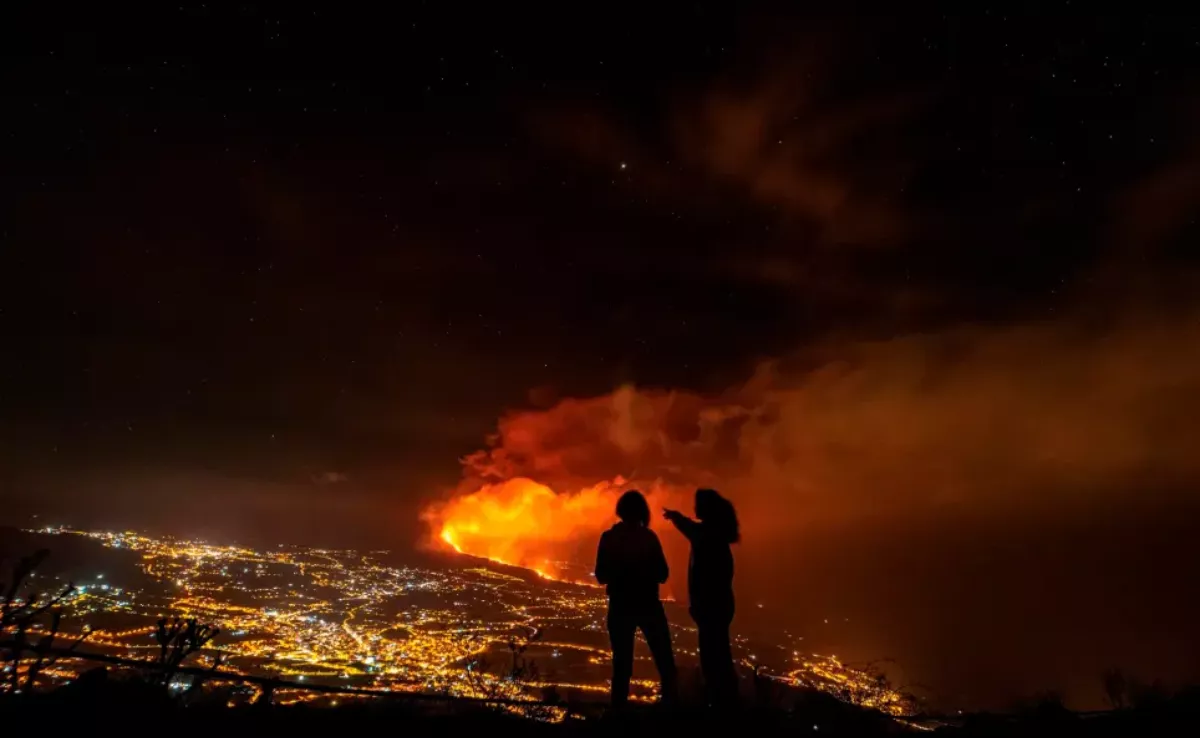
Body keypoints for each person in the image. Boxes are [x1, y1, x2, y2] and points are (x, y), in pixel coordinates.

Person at [595, 490, 678, 706]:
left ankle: (618, 714)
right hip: (648, 604)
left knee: (621, 665)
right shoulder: (649, 538)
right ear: (642, 512)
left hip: (620, 606)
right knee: (664, 661)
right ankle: (670, 711)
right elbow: (663, 573)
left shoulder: (609, 538)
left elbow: (601, 575)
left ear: (620, 511)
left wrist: (621, 573)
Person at [664, 488, 740, 707]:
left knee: (712, 657)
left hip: (710, 607)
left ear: (706, 509)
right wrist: (677, 517)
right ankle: (726, 700)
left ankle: (719, 703)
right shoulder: (717, 536)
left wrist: (676, 518)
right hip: (720, 605)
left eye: (698, 504)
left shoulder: (707, 536)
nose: (695, 508)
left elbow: (691, 530)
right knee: (720, 654)